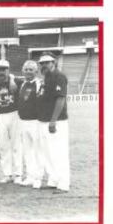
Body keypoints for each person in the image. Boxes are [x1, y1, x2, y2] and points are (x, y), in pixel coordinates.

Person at [36, 53, 70, 193]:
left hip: (56, 121)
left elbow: (60, 99)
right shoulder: (46, 78)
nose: (44, 65)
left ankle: (63, 183)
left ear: (53, 62)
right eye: (42, 63)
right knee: (48, 152)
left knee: (59, 152)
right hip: (44, 120)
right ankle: (54, 179)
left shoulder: (59, 76)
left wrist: (53, 121)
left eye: (47, 62)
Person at [0, 59, 22, 184]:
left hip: (15, 114)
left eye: (4, 69)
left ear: (8, 70)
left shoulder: (17, 82)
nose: (1, 72)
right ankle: (7, 173)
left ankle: (18, 174)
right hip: (0, 115)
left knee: (16, 145)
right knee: (3, 145)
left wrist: (12, 79)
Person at [17, 60, 43, 188]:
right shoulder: (22, 84)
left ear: (36, 71)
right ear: (23, 71)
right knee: (27, 151)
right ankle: (30, 176)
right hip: (23, 121)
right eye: (26, 69)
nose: (28, 72)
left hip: (35, 121)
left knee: (38, 150)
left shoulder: (39, 84)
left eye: (31, 69)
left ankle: (38, 178)